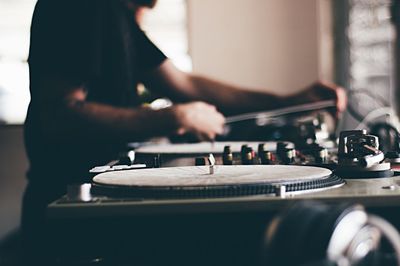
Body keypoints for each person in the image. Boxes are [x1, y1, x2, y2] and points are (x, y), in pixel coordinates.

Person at [22, 0, 346, 257]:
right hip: (69, 213)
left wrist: (291, 101)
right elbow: (60, 115)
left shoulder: (116, 15)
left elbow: (184, 84)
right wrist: (174, 118)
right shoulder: (77, 5)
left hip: (101, 208)